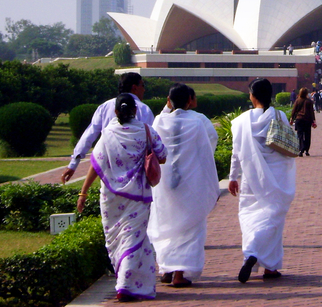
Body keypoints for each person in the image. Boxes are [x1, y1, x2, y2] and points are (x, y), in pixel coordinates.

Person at [76, 93, 167, 302]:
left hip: (111, 198)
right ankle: (127, 285)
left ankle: (125, 283)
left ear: (116, 112)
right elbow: (162, 156)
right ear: (135, 110)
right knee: (133, 238)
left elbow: (95, 165)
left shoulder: (107, 134)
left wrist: (83, 192)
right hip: (139, 195)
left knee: (116, 239)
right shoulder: (147, 131)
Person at [148, 83, 220, 288]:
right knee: (190, 226)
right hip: (191, 181)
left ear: (168, 101)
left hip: (164, 182)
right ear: (190, 100)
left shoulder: (159, 120)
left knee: (166, 221)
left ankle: (166, 268)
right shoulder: (198, 122)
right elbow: (208, 147)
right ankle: (180, 272)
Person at [228, 78, 296, 283]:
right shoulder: (279, 115)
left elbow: (236, 152)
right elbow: (288, 142)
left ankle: (253, 253)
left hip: (251, 178)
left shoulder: (241, 121)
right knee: (273, 219)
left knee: (250, 217)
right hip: (276, 176)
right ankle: (268, 265)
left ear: (252, 95)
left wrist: (232, 177)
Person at [62, 72, 154, 183]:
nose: (144, 90)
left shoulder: (105, 107)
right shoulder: (144, 109)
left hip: (109, 174)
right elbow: (152, 141)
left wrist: (73, 164)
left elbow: (90, 135)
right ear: (134, 87)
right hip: (137, 175)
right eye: (142, 86)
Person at [289, 87, 316, 157]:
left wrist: (291, 118)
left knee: (299, 135)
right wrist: (313, 120)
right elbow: (311, 112)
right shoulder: (309, 101)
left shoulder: (298, 101)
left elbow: (294, 110)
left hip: (299, 119)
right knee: (307, 135)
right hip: (307, 119)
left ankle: (301, 148)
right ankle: (307, 150)